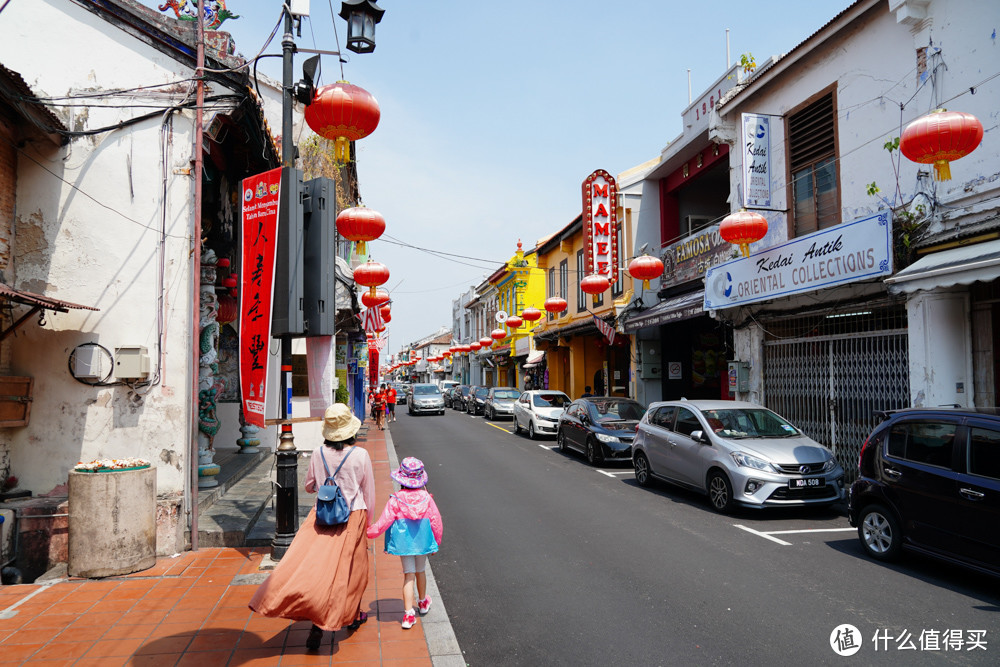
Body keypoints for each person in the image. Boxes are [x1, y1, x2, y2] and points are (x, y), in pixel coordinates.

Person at [249, 403, 375, 651]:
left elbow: (309, 486)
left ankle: (316, 622)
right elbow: (368, 492)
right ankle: (349, 615)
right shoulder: (360, 455)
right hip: (354, 515)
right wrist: (367, 522)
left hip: (322, 517)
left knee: (315, 569)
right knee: (352, 569)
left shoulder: (318, 453)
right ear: (350, 429)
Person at [366, 457, 443, 630]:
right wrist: (436, 541)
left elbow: (384, 521)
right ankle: (422, 603)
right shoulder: (426, 498)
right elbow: (436, 521)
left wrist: (369, 532)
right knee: (420, 571)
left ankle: (408, 614)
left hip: (404, 544)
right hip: (422, 542)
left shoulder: (396, 499)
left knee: (408, 574)